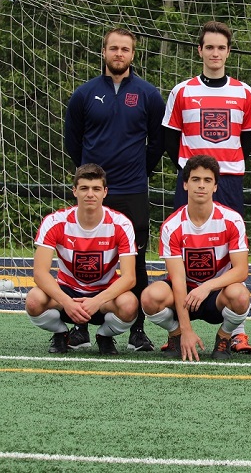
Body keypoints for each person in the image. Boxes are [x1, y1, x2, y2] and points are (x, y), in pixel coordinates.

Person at [64, 27, 165, 353]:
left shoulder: (148, 94)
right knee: (86, 258)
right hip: (94, 191)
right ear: (104, 52)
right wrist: (91, 176)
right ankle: (79, 326)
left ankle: (137, 331)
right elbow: (73, 141)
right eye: (113, 48)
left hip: (132, 190)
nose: (119, 54)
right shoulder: (84, 94)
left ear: (133, 54)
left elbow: (158, 142)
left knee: (136, 261)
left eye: (125, 49)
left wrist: (139, 170)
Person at [162, 21, 251, 354]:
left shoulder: (243, 92)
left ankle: (236, 331)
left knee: (231, 252)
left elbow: (247, 141)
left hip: (228, 178)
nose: (215, 53)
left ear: (228, 52)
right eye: (210, 47)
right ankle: (178, 328)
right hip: (191, 180)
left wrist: (223, 170)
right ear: (200, 50)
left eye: (221, 48)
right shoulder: (182, 91)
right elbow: (171, 138)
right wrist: (191, 172)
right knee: (187, 246)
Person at [141, 155, 250, 361]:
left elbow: (241, 270)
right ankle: (175, 335)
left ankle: (224, 337)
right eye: (195, 179)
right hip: (185, 294)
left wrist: (207, 286)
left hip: (216, 294)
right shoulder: (172, 226)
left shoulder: (232, 220)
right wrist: (186, 330)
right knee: (150, 297)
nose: (201, 185)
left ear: (215, 186)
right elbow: (178, 280)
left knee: (241, 296)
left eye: (207, 180)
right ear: (185, 184)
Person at [25, 164, 138, 355]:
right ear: (75, 191)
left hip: (104, 295)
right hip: (67, 292)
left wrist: (96, 301)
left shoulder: (121, 223)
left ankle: (104, 335)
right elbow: (40, 273)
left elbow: (129, 278)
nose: (90, 194)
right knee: (34, 300)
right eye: (84, 188)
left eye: (96, 189)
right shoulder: (55, 222)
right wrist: (67, 302)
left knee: (129, 305)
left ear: (105, 192)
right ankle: (61, 333)